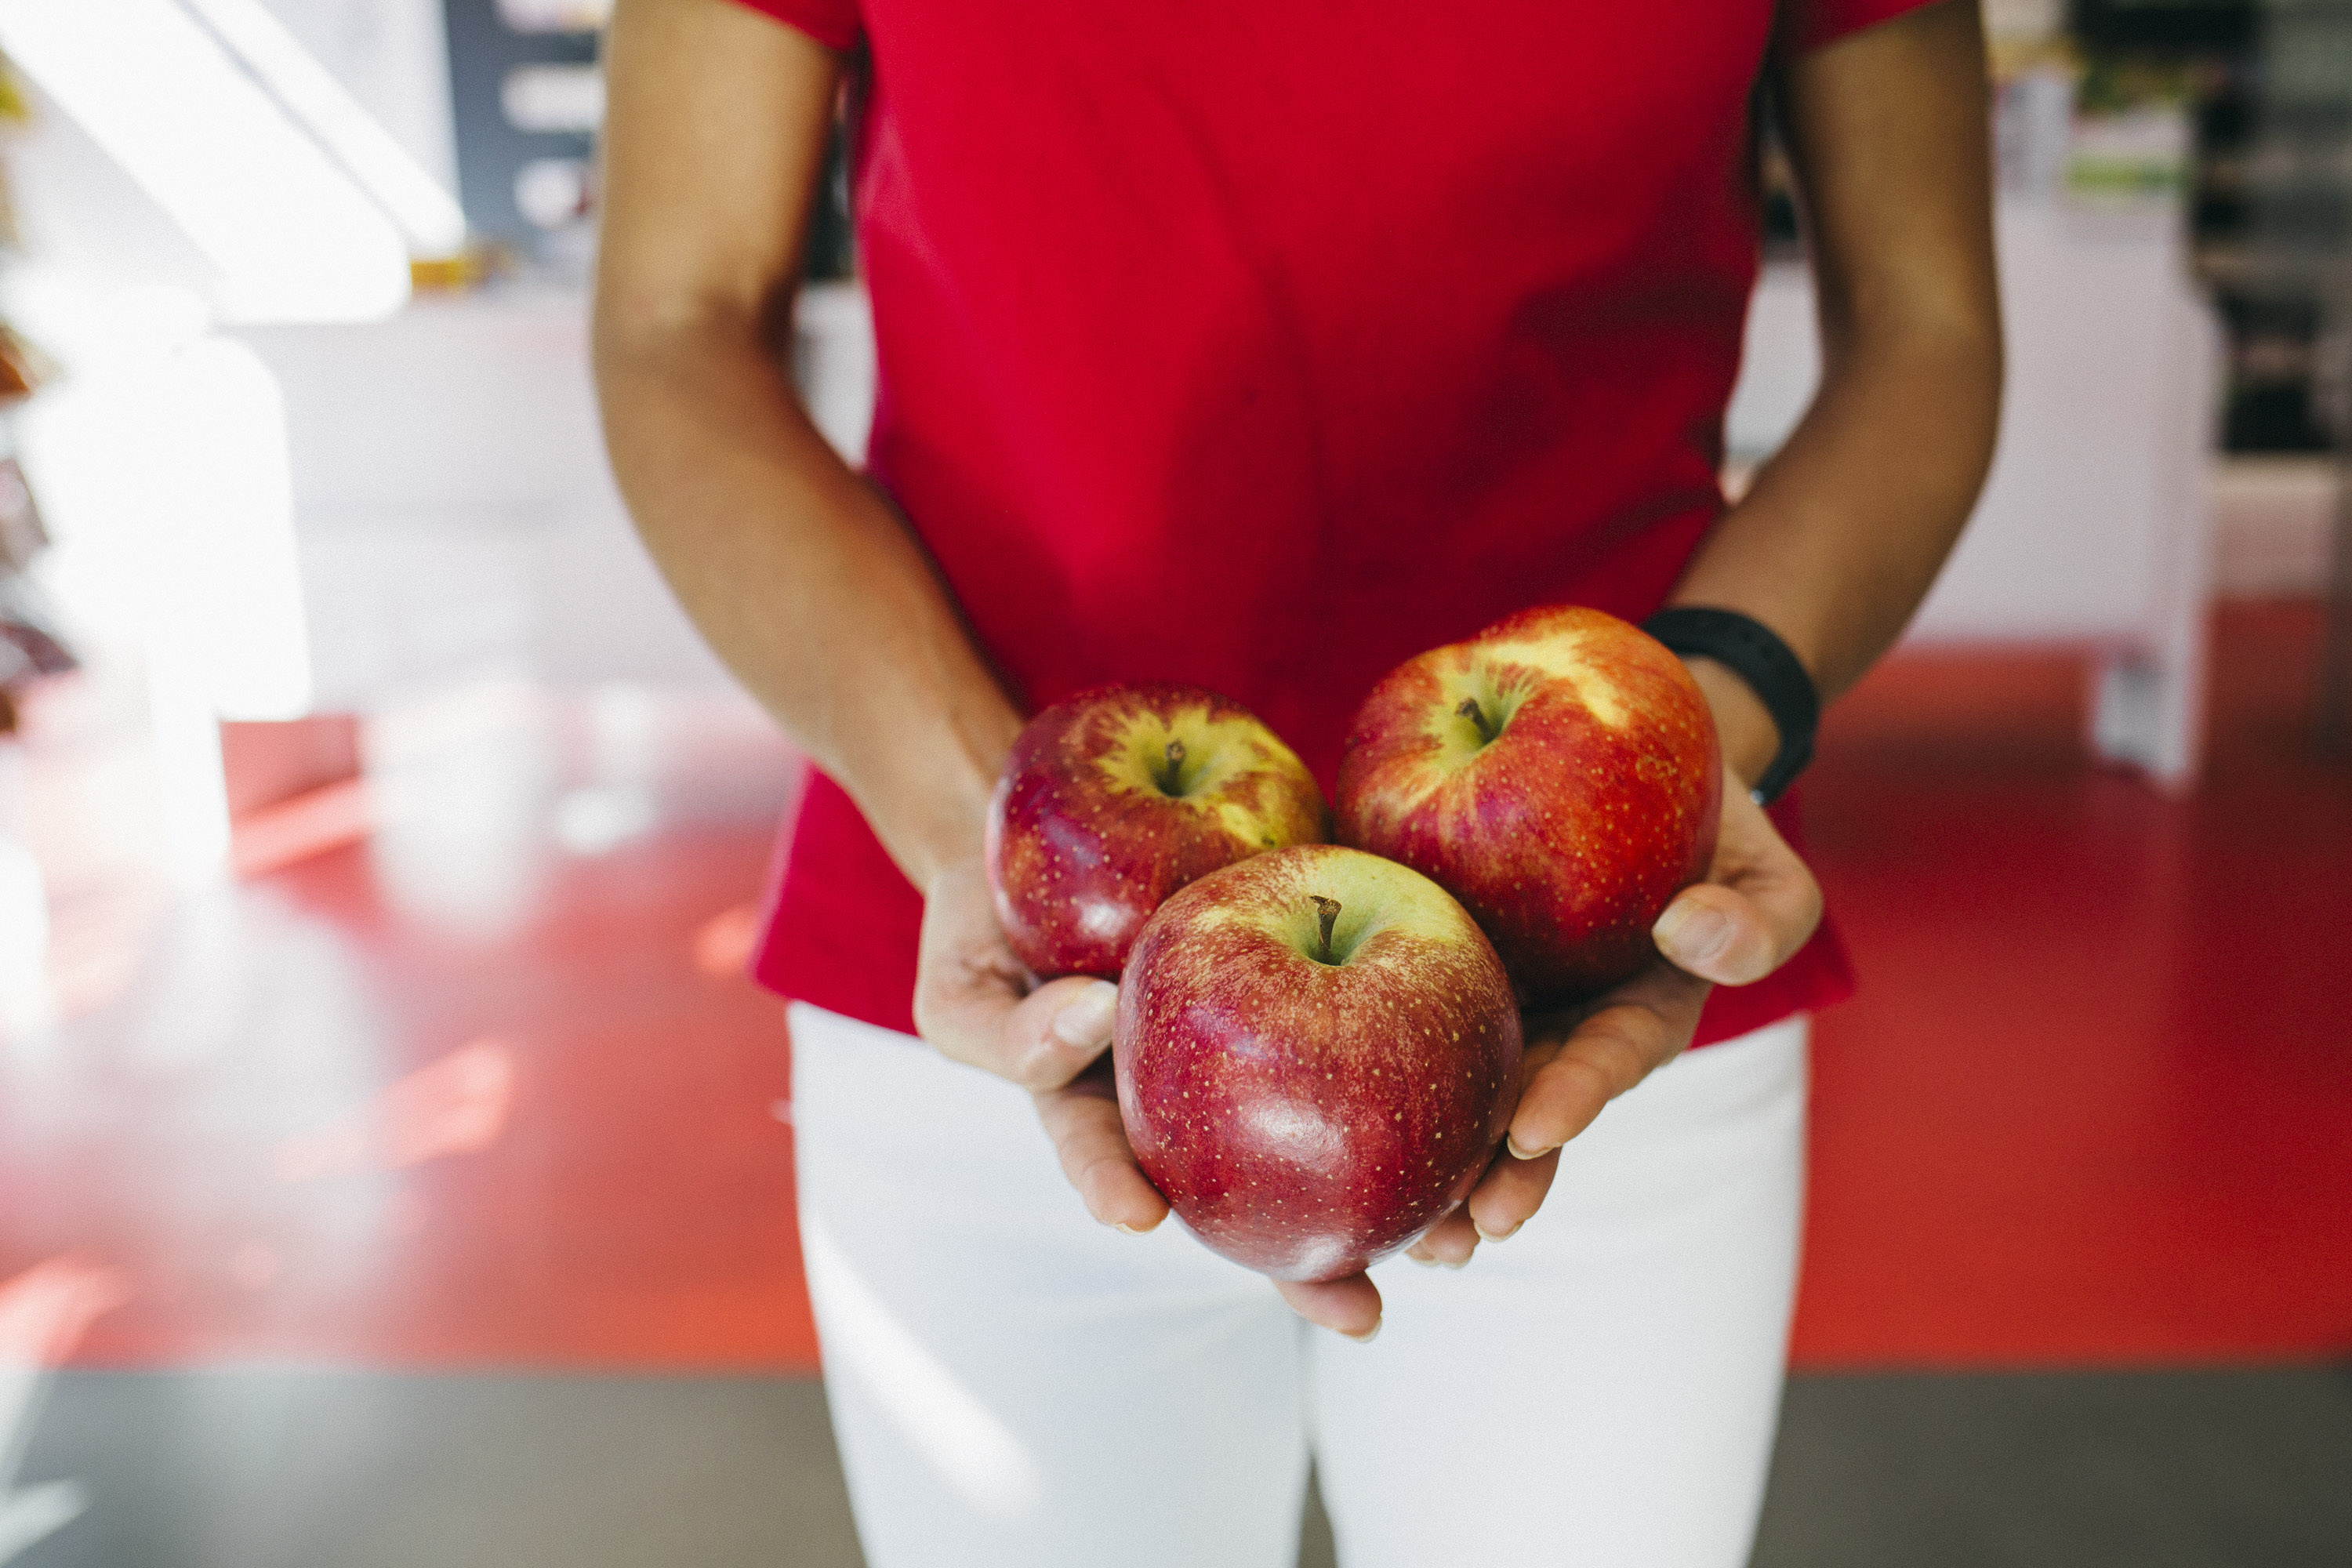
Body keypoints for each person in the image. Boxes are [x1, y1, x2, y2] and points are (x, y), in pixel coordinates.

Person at [591, 0, 2001, 1561]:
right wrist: (982, 835)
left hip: (1599, 986)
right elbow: (678, 315)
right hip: (997, 972)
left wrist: (1693, 744)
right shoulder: (992, 904)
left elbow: (1926, 327)